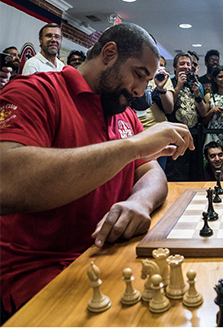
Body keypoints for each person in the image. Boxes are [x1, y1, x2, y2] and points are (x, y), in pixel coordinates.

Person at [0, 22, 194, 317]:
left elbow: (152, 171)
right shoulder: (35, 93)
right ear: (109, 53)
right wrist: (132, 147)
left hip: (107, 255)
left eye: (148, 80)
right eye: (139, 74)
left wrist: (138, 201)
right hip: (38, 272)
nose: (140, 90)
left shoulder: (124, 112)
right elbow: (6, 180)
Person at [153, 52, 205, 181]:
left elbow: (203, 112)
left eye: (188, 64)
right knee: (175, 173)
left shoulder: (196, 84)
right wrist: (179, 86)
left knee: (194, 173)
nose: (186, 67)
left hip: (193, 134)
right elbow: (168, 108)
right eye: (182, 64)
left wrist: (197, 94)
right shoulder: (168, 81)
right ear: (175, 67)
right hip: (175, 135)